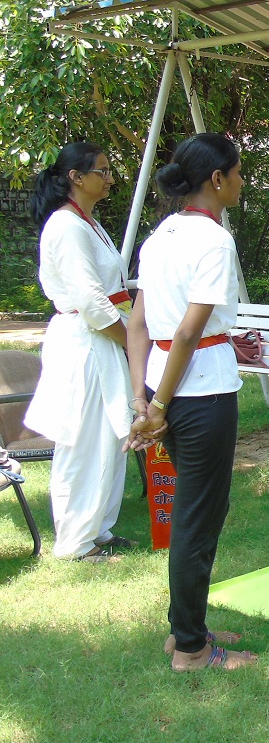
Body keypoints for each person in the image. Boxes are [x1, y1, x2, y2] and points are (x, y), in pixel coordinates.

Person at [125, 133, 257, 670]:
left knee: (193, 512)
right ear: (217, 180)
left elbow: (138, 325)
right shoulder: (213, 241)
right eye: (239, 172)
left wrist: (145, 399)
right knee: (198, 517)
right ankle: (192, 649)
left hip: (168, 387)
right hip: (199, 391)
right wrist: (155, 406)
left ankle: (188, 626)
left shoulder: (160, 237)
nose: (243, 182)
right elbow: (185, 333)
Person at [24, 142, 135, 562]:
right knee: (85, 439)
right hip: (85, 340)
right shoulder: (66, 226)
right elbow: (90, 300)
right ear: (76, 177)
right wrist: (131, 341)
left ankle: (98, 529)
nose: (109, 178)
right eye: (102, 171)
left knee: (110, 436)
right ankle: (74, 542)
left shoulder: (88, 223)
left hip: (102, 337)